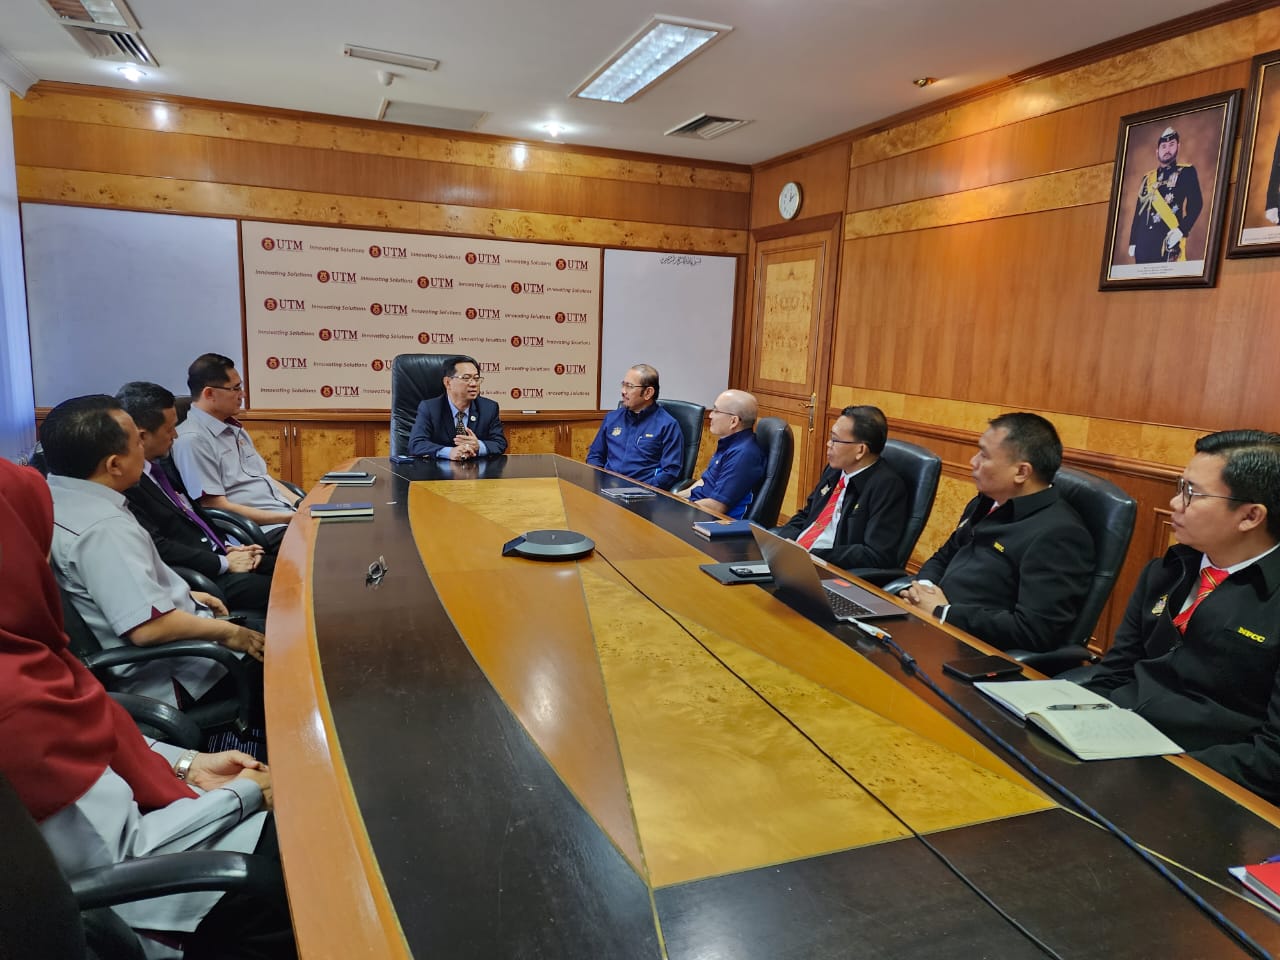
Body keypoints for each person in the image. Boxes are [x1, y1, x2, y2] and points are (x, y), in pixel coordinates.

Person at [0, 456, 294, 960]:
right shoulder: (16, 703)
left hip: (161, 815)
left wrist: (186, 763)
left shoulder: (26, 654)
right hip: (155, 904)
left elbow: (95, 739)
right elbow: (121, 858)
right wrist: (245, 794)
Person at [1071, 431, 1280, 802]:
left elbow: (1270, 759)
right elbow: (1114, 673)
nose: (1174, 502)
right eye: (1179, 486)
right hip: (1110, 749)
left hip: (1198, 785)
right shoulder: (1167, 570)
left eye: (1192, 494)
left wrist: (1159, 771)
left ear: (1250, 515)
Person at [41, 395, 266, 710]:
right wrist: (229, 634)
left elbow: (110, 591)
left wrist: (186, 596)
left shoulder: (54, 499)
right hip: (186, 676)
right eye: (136, 443)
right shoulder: (104, 529)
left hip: (176, 641)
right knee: (301, 650)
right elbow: (149, 629)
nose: (143, 450)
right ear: (114, 464)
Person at [899, 412, 1093, 652]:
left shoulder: (1059, 535)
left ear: (1022, 472)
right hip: (928, 625)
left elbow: (1033, 631)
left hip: (972, 653)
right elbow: (944, 555)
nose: (973, 461)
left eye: (984, 455)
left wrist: (944, 613)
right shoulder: (986, 502)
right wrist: (924, 591)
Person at [117, 381, 273, 616]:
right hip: (201, 577)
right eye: (169, 429)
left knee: (293, 568)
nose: (176, 434)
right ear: (142, 435)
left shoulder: (157, 467)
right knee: (286, 590)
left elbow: (194, 514)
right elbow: (159, 548)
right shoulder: (128, 484)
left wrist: (230, 547)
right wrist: (224, 563)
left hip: (221, 556)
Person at [172, 354, 297, 548]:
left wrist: (301, 505)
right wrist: (290, 518)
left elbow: (263, 477)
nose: (243, 395)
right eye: (236, 388)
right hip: (258, 531)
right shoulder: (192, 440)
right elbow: (214, 505)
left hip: (283, 517)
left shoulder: (233, 428)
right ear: (209, 394)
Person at [774, 405, 908, 570]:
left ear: (860, 450)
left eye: (835, 440)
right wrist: (784, 541)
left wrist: (813, 554)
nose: (828, 444)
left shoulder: (886, 487)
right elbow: (807, 515)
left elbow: (875, 554)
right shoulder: (834, 470)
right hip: (799, 559)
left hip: (832, 570)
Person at [586, 363, 684, 490]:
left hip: (643, 495)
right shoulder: (612, 418)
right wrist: (599, 482)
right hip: (607, 490)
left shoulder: (667, 425)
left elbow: (670, 471)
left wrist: (641, 490)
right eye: (623, 384)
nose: (623, 391)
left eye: (629, 386)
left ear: (648, 393)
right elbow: (595, 456)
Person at [681, 389, 765, 519]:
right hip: (697, 510)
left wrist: (678, 509)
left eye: (716, 411)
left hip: (711, 522)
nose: (710, 415)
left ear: (734, 421)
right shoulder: (729, 443)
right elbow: (704, 482)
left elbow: (717, 506)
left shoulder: (743, 455)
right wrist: (671, 498)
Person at [407, 355, 508, 460]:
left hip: (476, 472)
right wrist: (449, 452)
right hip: (438, 473)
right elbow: (416, 444)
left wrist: (479, 446)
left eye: (476, 378)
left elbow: (500, 443)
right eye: (466, 378)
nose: (473, 384)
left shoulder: (489, 408)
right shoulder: (430, 408)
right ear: (448, 382)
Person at [1128, 126, 1203, 263]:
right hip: (1143, 246)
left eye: (1171, 145)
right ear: (1157, 151)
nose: (1167, 150)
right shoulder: (1147, 178)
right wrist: (1133, 241)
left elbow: (1196, 205)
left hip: (1168, 241)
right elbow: (1139, 212)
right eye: (1163, 146)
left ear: (1178, 147)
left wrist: (1181, 230)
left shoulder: (1186, 172)